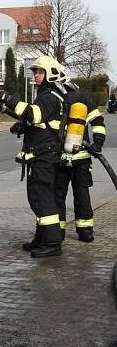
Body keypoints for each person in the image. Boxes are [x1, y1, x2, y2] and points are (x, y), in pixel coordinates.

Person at [0, 56, 65, 257]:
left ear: (50, 74)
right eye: (34, 72)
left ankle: (52, 243)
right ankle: (41, 239)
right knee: (40, 198)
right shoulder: (47, 95)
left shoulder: (50, 97)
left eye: (40, 72)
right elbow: (30, 118)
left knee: (42, 199)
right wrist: (5, 109)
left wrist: (7, 97)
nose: (36, 75)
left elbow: (34, 114)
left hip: (45, 157)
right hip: (42, 156)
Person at [53, 70, 106, 243]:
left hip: (60, 158)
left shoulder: (52, 98)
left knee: (58, 196)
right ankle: (85, 232)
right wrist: (97, 144)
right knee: (82, 195)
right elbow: (97, 121)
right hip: (81, 157)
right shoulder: (81, 97)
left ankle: (57, 232)